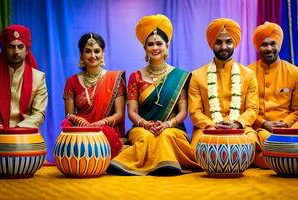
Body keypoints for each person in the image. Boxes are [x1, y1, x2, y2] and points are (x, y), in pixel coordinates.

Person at [108, 14, 199, 175]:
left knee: (165, 135)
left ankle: (166, 166)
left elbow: (183, 111)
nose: (155, 47)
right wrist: (145, 124)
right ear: (145, 48)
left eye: (159, 43)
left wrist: (167, 124)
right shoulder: (135, 76)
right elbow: (132, 112)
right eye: (150, 44)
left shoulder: (179, 76)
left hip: (173, 127)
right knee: (147, 136)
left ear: (167, 46)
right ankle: (133, 164)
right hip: (142, 127)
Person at [188, 18, 260, 158]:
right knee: (202, 147)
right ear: (212, 44)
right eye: (218, 42)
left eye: (228, 41)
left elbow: (252, 109)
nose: (223, 47)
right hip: (207, 129)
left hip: (241, 128)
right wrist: (212, 125)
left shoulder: (248, 75)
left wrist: (238, 124)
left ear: (234, 43)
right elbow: (195, 112)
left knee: (250, 142)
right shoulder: (197, 76)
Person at [63, 33, 125, 158]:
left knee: (105, 136)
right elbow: (69, 116)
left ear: (103, 54)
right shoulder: (72, 81)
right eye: (88, 51)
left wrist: (101, 123)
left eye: (97, 51)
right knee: (71, 137)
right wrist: (81, 122)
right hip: (81, 131)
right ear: (81, 54)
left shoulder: (114, 78)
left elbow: (119, 114)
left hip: (105, 130)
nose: (93, 56)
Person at [248, 22, 298, 168]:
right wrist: (263, 123)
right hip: (259, 128)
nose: (269, 48)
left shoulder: (294, 72)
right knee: (258, 139)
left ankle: (270, 159)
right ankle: (284, 160)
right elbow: (245, 109)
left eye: (273, 43)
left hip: (289, 127)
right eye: (264, 44)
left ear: (279, 45)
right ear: (258, 47)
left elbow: (297, 109)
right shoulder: (248, 73)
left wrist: (286, 123)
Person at [0, 24, 48, 128]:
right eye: (11, 47)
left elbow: (39, 114)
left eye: (20, 47)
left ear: (26, 50)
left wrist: (18, 128)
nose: (16, 52)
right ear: (4, 50)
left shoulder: (38, 78)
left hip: (25, 135)